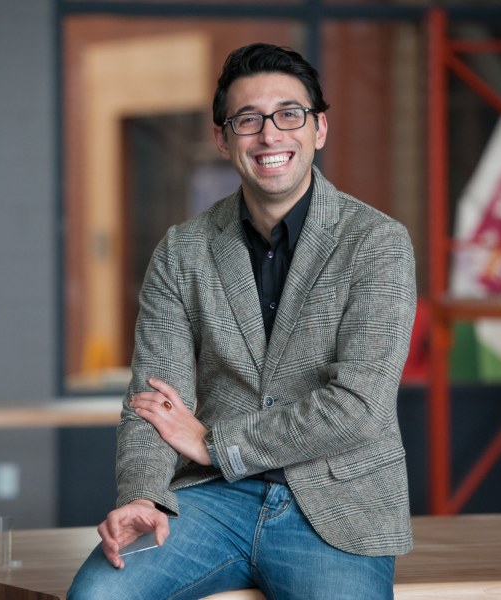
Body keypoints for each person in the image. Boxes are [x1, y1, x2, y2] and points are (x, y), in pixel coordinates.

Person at [68, 42, 416, 600]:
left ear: (318, 129)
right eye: (248, 119)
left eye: (289, 115)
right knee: (97, 596)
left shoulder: (376, 243)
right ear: (222, 137)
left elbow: (358, 409)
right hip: (212, 503)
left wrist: (215, 443)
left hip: (334, 505)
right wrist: (142, 497)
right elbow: (154, 400)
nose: (270, 135)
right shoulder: (184, 250)